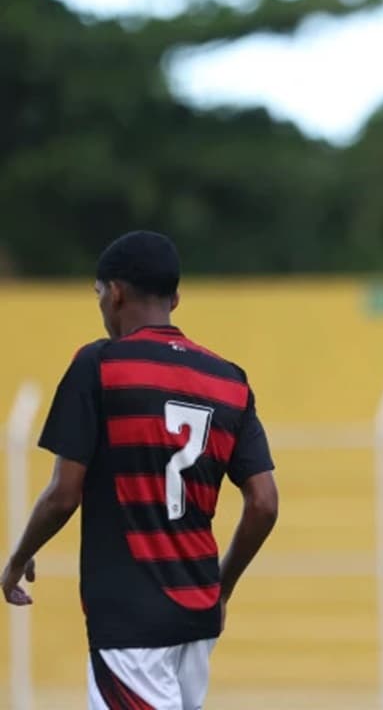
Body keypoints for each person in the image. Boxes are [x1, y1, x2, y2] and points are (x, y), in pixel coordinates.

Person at [1, 231, 279, 710]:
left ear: (116, 292)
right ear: (175, 298)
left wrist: (18, 557)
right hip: (196, 614)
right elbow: (264, 503)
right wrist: (222, 588)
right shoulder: (229, 379)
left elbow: (64, 493)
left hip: (132, 618)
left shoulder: (101, 364)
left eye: (98, 295)